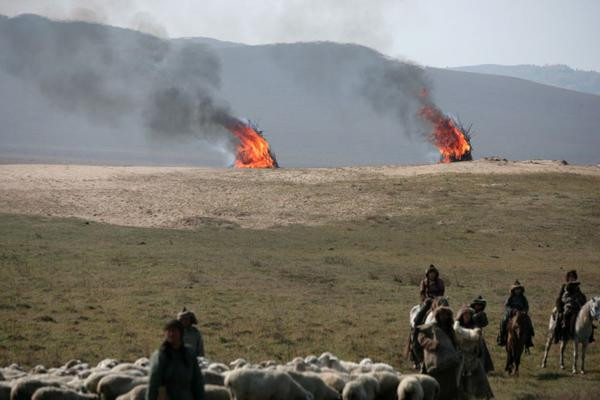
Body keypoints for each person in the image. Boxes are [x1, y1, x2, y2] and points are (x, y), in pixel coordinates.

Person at [147, 319, 205, 400]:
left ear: (181, 333)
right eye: (168, 331)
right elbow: (153, 385)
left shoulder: (189, 354)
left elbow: (197, 382)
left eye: (174, 331)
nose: (171, 334)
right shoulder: (160, 356)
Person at [417, 306, 462, 400]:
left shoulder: (450, 330)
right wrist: (431, 344)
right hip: (435, 364)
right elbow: (420, 337)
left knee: (450, 391)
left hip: (450, 365)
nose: (444, 317)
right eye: (441, 314)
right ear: (437, 315)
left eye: (446, 314)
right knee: (434, 390)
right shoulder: (430, 327)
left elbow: (455, 343)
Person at [454, 306, 494, 400]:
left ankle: (485, 395)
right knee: (456, 379)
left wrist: (461, 331)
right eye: (464, 314)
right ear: (461, 316)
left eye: (468, 314)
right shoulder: (456, 326)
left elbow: (475, 336)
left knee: (481, 377)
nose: (466, 316)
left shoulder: (475, 327)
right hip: (459, 357)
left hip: (472, 358)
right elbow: (455, 334)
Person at [554, 270, 590, 342]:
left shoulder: (577, 287)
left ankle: (588, 336)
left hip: (576, 307)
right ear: (568, 278)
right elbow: (559, 298)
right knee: (562, 318)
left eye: (573, 277)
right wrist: (560, 308)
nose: (572, 279)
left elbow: (581, 297)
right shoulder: (564, 287)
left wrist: (583, 302)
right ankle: (560, 334)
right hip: (567, 307)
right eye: (570, 277)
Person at [497, 280, 534, 348]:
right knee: (503, 321)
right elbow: (507, 306)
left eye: (519, 289)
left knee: (528, 321)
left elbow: (526, 306)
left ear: (521, 290)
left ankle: (529, 340)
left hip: (521, 314)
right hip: (511, 313)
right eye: (516, 289)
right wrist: (511, 310)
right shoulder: (510, 297)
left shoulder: (523, 298)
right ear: (513, 290)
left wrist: (524, 311)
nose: (517, 291)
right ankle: (501, 338)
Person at [470, 296, 494, 373]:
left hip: (478, 334)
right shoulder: (469, 311)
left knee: (482, 350)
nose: (478, 306)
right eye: (477, 304)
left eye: (480, 305)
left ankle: (483, 368)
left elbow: (485, 323)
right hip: (468, 333)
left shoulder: (482, 314)